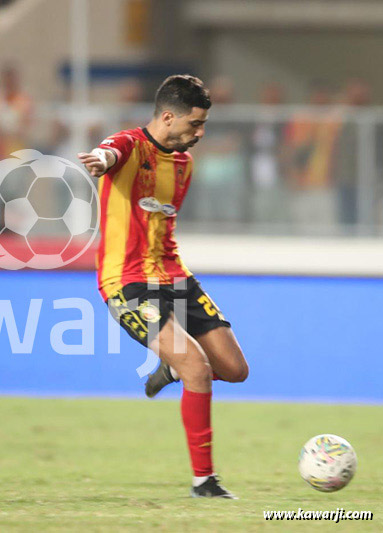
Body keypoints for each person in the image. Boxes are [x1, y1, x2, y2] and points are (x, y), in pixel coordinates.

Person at [78, 75, 249, 499]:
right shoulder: (130, 146)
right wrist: (101, 160)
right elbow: (110, 151)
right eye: (194, 125)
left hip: (175, 276)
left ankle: (171, 367)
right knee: (198, 368)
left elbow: (162, 222)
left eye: (204, 124)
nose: (200, 133)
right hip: (127, 283)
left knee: (235, 370)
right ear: (168, 117)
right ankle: (204, 481)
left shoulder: (184, 164)